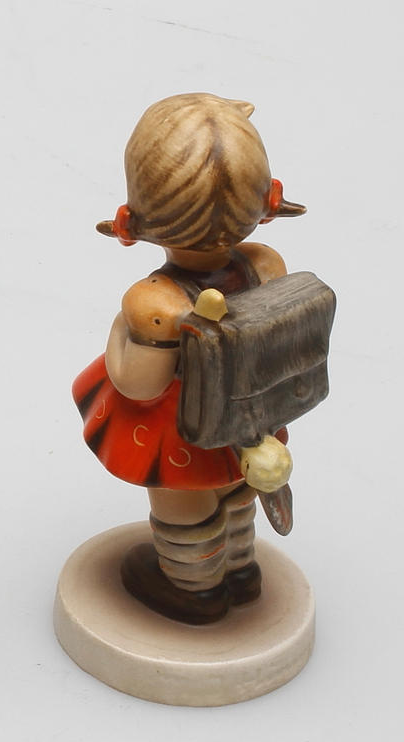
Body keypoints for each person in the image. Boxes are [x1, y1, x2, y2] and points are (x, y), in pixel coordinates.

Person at [72, 93, 305, 624]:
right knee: (238, 488)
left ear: (136, 218)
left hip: (181, 429)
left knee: (185, 506)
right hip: (250, 417)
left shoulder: (156, 302)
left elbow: (139, 384)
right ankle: (241, 569)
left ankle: (194, 586)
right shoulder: (266, 265)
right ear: (265, 202)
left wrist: (123, 325)